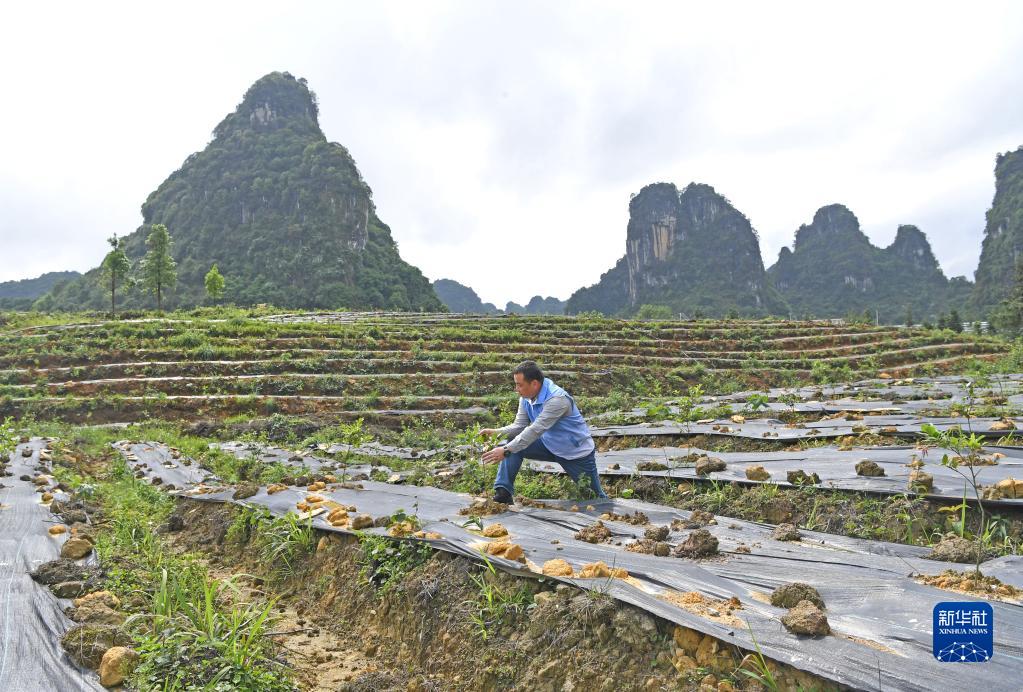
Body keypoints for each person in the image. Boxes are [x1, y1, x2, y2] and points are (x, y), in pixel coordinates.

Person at [480, 360, 606, 504]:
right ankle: (503, 493)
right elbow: (519, 425)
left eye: (519, 385)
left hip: (575, 453)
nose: (516, 389)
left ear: (534, 383)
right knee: (513, 443)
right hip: (549, 445)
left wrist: (505, 450)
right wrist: (496, 432)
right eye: (516, 384)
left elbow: (535, 430)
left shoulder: (557, 399)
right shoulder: (526, 397)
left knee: (595, 498)